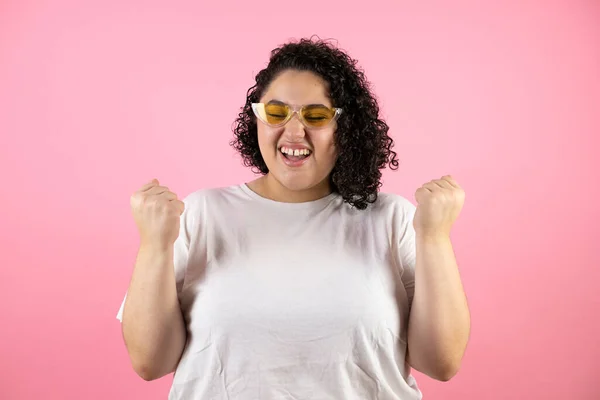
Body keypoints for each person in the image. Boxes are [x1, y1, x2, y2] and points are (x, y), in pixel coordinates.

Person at [116, 37, 471, 399]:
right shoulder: (201, 214)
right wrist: (154, 245)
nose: (294, 131)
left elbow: (440, 363)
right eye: (276, 112)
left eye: (316, 116)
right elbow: (150, 362)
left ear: (345, 128)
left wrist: (435, 237)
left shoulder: (394, 220)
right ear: (256, 120)